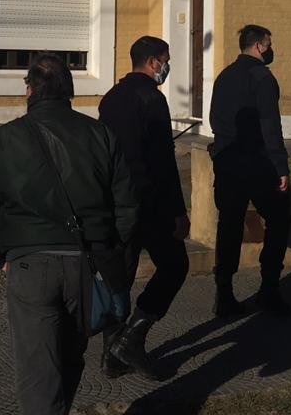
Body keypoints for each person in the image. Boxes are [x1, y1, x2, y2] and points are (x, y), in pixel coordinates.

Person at [0, 54, 138, 415]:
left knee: (38, 369)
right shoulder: (100, 135)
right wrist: (108, 251)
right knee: (70, 359)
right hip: (86, 263)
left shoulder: (3, 139)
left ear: (29, 90)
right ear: (69, 91)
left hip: (29, 265)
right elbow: (127, 207)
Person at [97, 36, 190, 380]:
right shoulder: (152, 99)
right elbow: (163, 162)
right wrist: (178, 211)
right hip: (149, 203)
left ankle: (111, 356)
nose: (167, 66)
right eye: (166, 60)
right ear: (153, 62)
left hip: (114, 202)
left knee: (119, 279)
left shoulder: (111, 98)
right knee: (175, 265)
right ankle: (132, 337)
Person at [207, 24, 291, 317]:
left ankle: (224, 293)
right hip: (257, 164)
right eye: (269, 44)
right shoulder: (262, 78)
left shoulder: (224, 76)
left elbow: (214, 118)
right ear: (259, 46)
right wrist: (280, 165)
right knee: (279, 220)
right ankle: (269, 289)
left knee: (229, 225)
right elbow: (270, 125)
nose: (270, 49)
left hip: (227, 161)